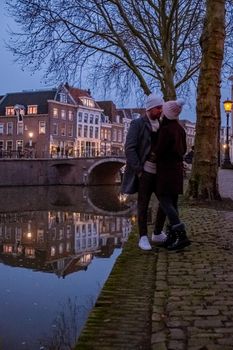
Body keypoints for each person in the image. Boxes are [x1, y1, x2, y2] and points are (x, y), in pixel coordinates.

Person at [121, 93, 167, 251]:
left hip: (159, 171)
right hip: (145, 172)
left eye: (161, 107)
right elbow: (130, 148)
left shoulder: (160, 124)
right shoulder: (137, 124)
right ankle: (142, 237)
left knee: (165, 201)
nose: (161, 110)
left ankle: (157, 232)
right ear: (150, 108)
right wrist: (139, 170)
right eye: (158, 108)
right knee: (143, 204)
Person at [155, 99, 191, 250]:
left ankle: (181, 234)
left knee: (164, 201)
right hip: (176, 171)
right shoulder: (181, 130)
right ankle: (172, 236)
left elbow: (158, 151)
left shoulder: (165, 130)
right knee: (173, 202)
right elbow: (183, 150)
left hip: (165, 170)